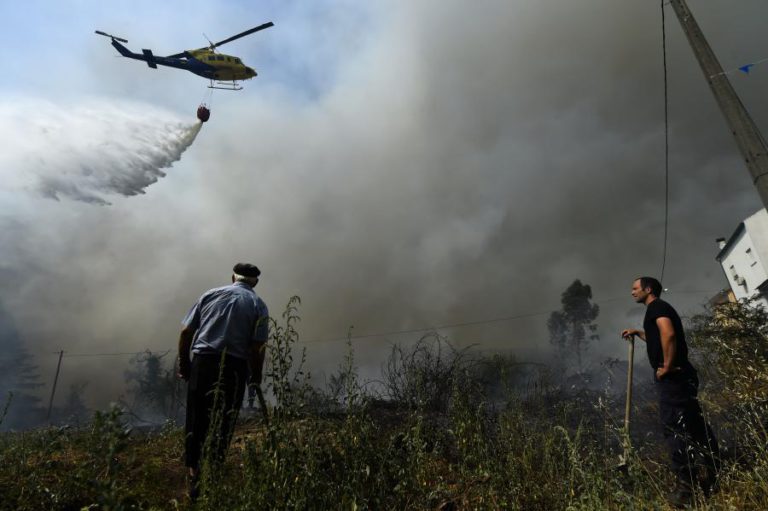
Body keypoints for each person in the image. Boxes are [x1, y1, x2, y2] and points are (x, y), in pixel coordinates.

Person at [621, 276, 719, 507]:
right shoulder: (657, 309)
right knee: (694, 424)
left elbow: (669, 334)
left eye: (635, 288)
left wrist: (665, 366)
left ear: (648, 289)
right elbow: (658, 337)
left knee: (674, 428)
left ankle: (686, 490)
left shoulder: (657, 307)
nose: (632, 292)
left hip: (674, 378)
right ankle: (716, 468)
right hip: (682, 376)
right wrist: (638, 332)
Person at [177, 263, 269, 500]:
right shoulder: (258, 305)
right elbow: (257, 347)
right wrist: (255, 378)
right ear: (255, 282)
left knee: (197, 419)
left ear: (232, 277)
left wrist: (185, 364)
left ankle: (194, 477)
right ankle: (213, 475)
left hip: (203, 362)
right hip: (234, 368)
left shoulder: (210, 295)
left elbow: (186, 332)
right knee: (225, 420)